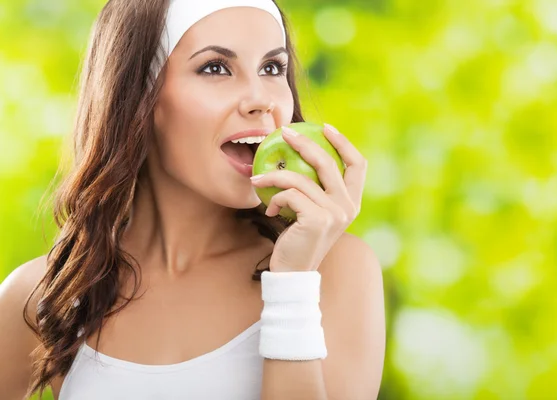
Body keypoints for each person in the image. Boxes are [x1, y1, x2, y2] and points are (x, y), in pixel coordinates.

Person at [0, 0, 386, 399]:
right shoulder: (47, 296)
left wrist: (292, 286)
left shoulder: (334, 271)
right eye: (216, 68)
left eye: (272, 68)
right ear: (138, 97)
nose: (262, 99)